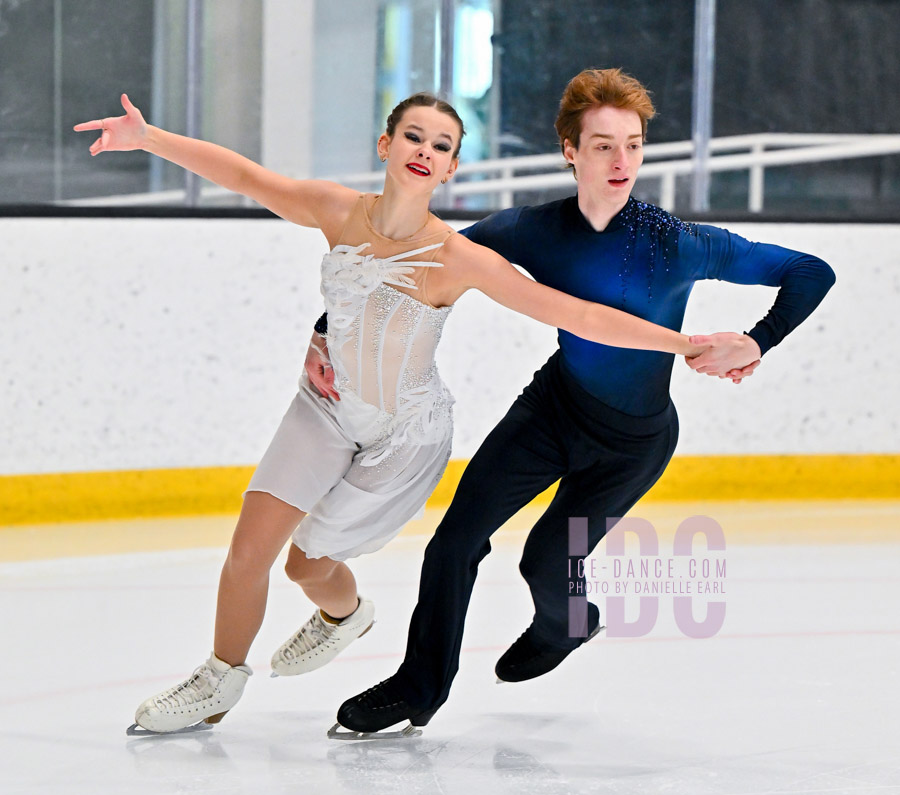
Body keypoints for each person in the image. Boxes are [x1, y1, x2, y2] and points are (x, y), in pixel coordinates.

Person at [74, 91, 716, 735]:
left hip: (403, 436)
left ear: (451, 169)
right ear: (386, 145)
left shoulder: (458, 257)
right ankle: (218, 681)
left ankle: (345, 615)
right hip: (325, 408)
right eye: (413, 137)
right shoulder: (335, 210)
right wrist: (150, 139)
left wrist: (687, 344)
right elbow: (246, 177)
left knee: (305, 565)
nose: (424, 151)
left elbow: (578, 315)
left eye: (441, 146)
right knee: (249, 549)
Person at [324, 68, 836, 735]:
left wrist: (757, 340)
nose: (621, 161)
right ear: (570, 150)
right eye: (603, 145)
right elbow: (417, 258)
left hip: (632, 444)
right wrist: (326, 327)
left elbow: (811, 271)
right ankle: (419, 686)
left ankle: (569, 624)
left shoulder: (676, 243)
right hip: (552, 410)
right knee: (454, 540)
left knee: (546, 559)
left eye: (633, 145)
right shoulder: (533, 230)